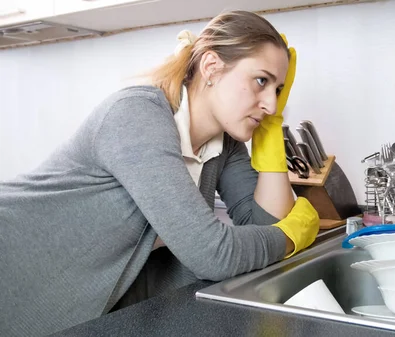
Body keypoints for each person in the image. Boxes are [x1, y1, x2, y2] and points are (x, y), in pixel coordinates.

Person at [0, 10, 320, 337]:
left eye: (278, 90)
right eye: (261, 81)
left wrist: (269, 131)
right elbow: (215, 253)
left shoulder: (223, 144)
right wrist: (291, 235)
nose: (270, 102)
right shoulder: (137, 116)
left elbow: (263, 230)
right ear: (211, 67)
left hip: (75, 306)